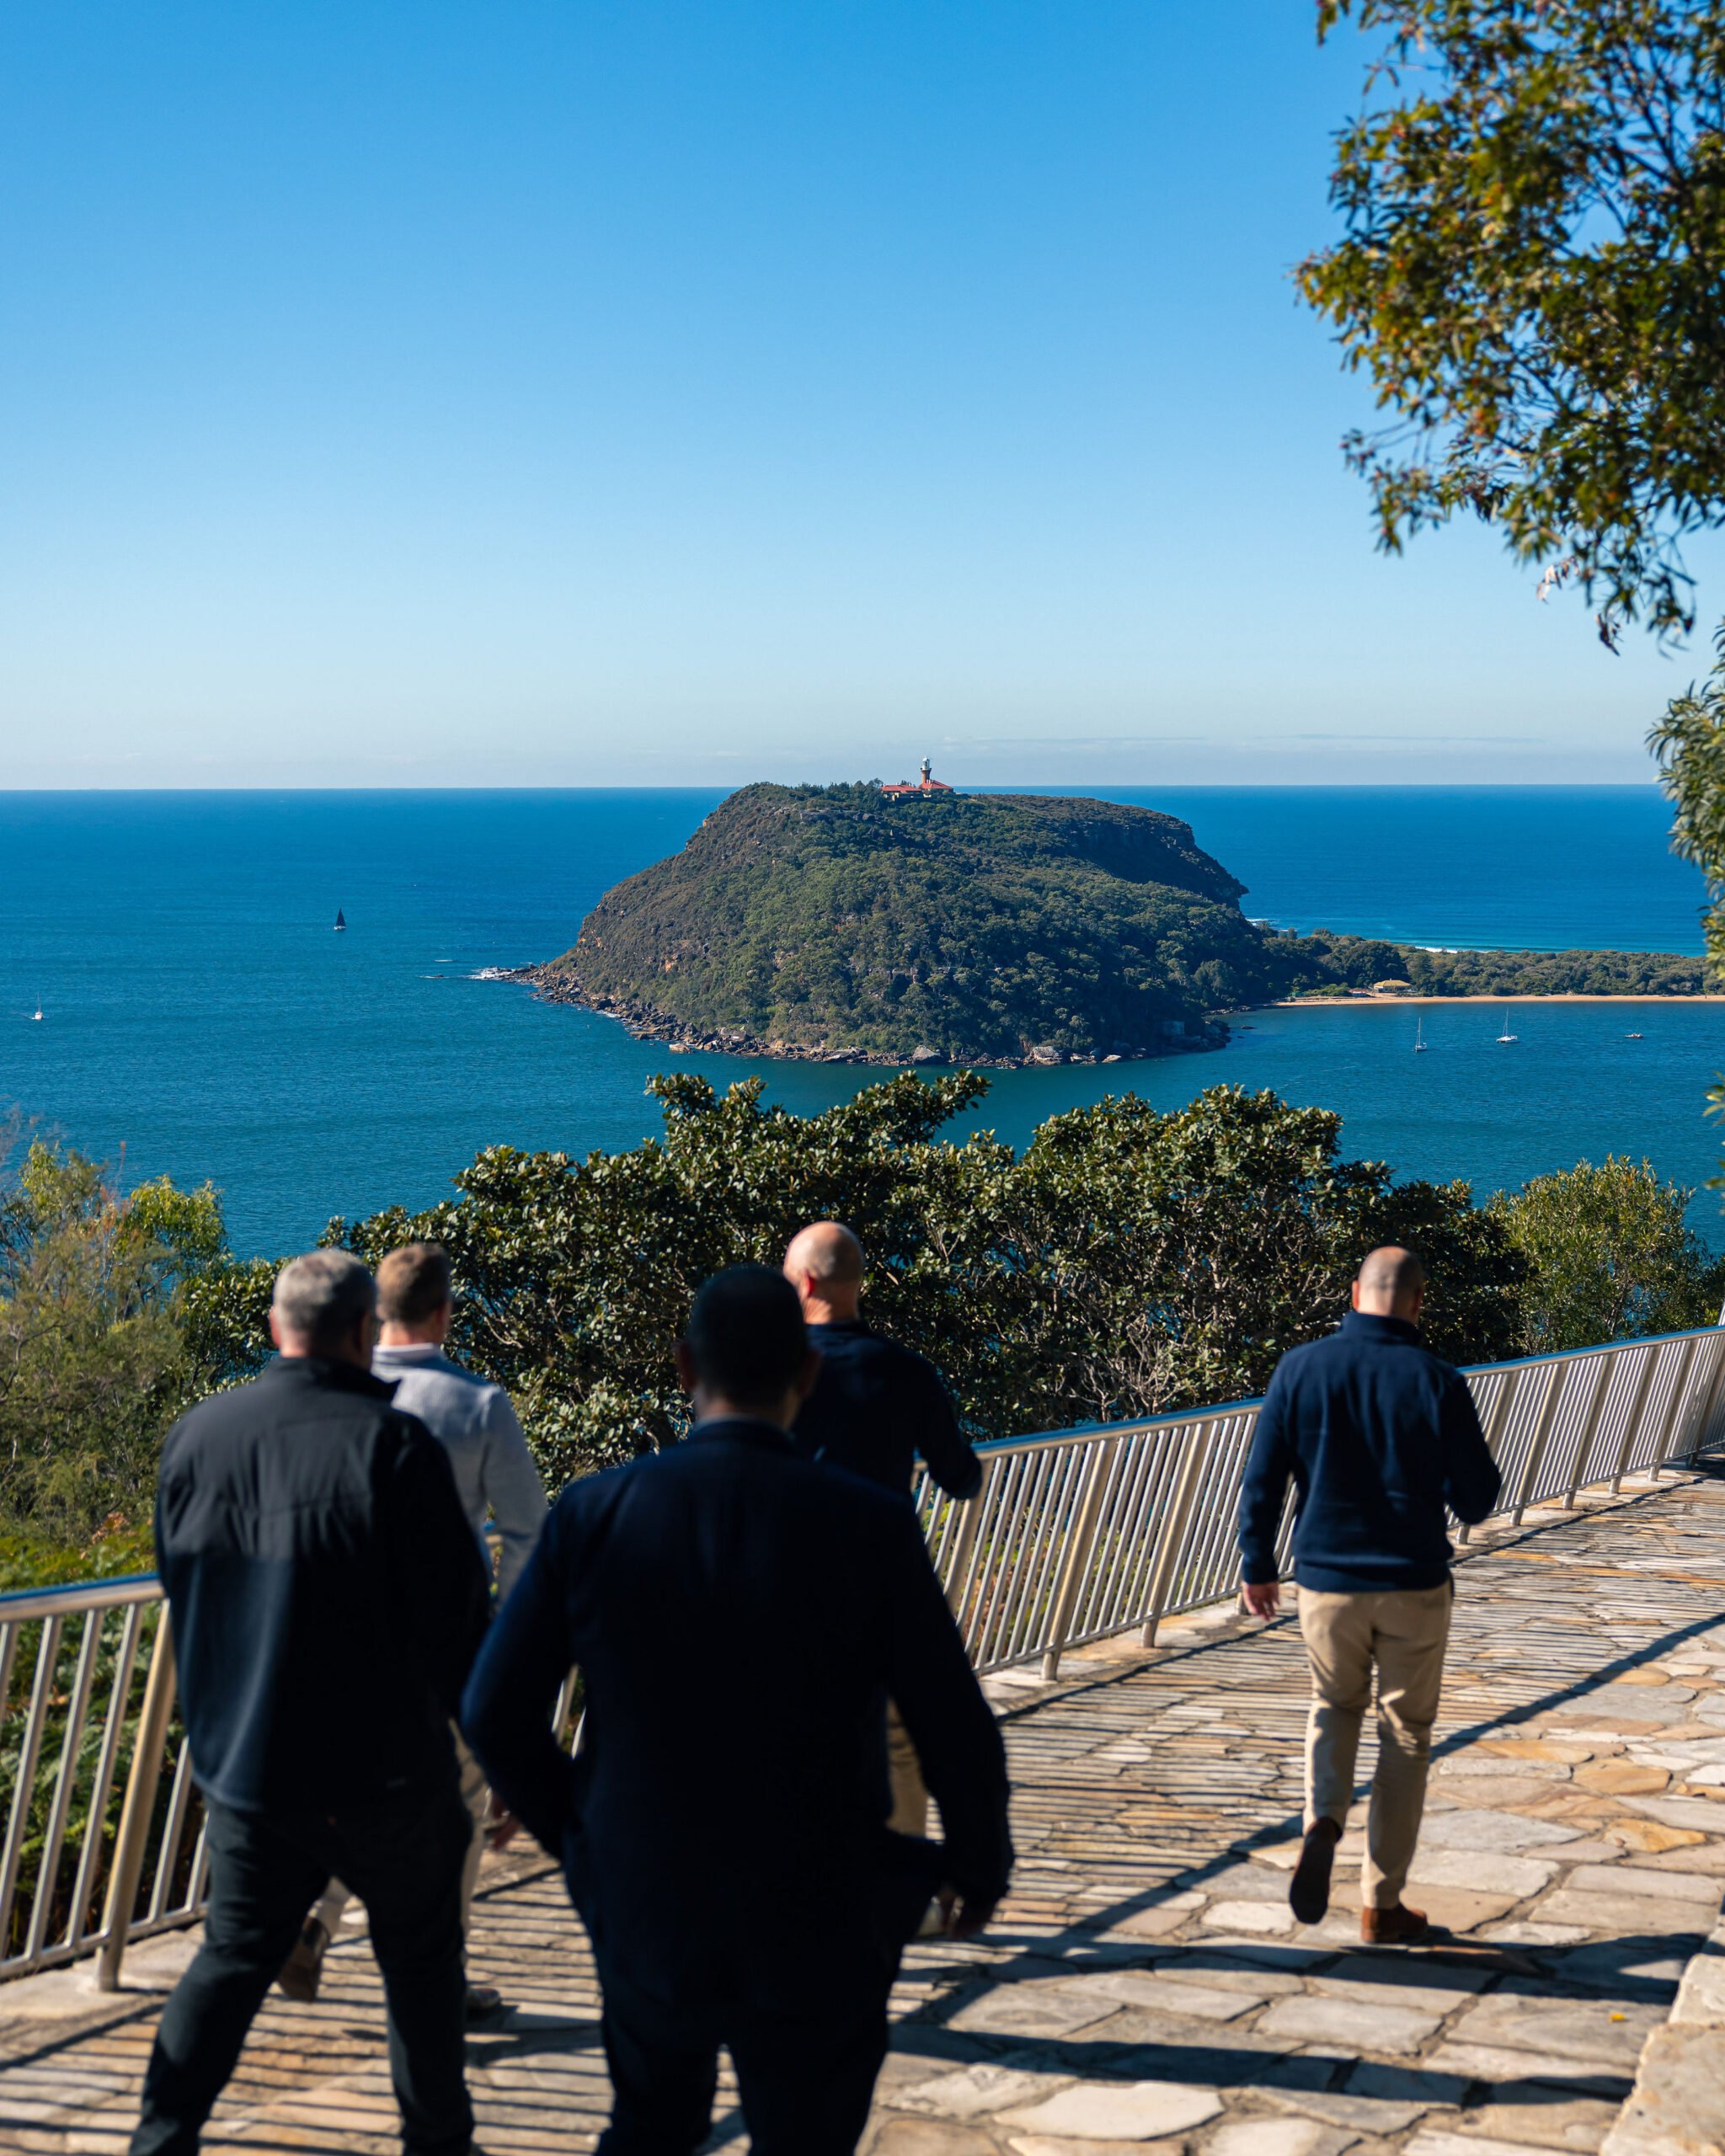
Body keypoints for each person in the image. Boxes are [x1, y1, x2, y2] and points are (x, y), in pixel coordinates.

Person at [462, 1264, 1013, 2156]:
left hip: (647, 1893)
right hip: (823, 1898)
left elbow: (493, 1708)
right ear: (807, 1373)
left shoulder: (595, 1511)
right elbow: (951, 1719)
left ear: (685, 1366)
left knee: (650, 2126)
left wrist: (581, 1835)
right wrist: (977, 1866)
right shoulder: (869, 1523)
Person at [132, 1251, 489, 2156]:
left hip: (253, 1767)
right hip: (389, 1774)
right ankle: (439, 2145)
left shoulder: (200, 1436)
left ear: (274, 1328)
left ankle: (161, 2139)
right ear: (364, 1331)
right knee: (420, 1967)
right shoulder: (395, 1447)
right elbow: (457, 1624)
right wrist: (492, 1752)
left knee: (230, 1959)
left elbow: (182, 1583)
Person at [279, 1240, 548, 2020]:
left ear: (374, 1315)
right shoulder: (477, 1404)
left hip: (340, 1641)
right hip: (445, 1645)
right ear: (444, 1312)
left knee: (354, 1788)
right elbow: (528, 1532)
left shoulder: (342, 1396)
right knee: (455, 1808)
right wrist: (501, 1629)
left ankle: (314, 1917)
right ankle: (441, 1977)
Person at [1237, 1246, 1501, 1945]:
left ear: (1355, 1294)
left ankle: (1322, 1822)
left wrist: (1257, 1565)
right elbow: (1477, 1498)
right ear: (1418, 1303)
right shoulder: (1437, 1381)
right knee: (1405, 1735)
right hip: (1413, 1580)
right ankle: (1382, 1905)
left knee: (1334, 1704)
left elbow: (1263, 1479)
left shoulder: (1300, 1369)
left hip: (1327, 1581)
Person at [782, 1219, 982, 1841]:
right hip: (887, 1584)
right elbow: (960, 1478)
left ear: (805, 1282)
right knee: (898, 1739)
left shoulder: (772, 1374)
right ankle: (901, 1872)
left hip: (788, 1583)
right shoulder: (905, 1371)